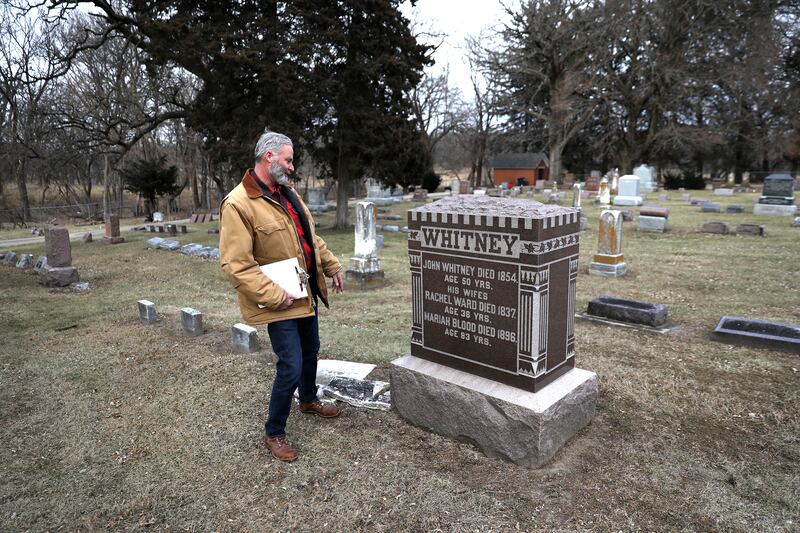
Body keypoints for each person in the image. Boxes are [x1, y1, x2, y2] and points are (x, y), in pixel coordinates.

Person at [219, 130, 345, 462]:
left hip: (304, 293)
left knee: (311, 351)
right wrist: (275, 295)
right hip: (279, 299)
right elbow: (236, 264)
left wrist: (331, 266)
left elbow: (310, 237)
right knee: (290, 364)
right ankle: (274, 431)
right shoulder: (238, 204)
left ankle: (308, 400)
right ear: (269, 157)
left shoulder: (287, 194)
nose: (291, 166)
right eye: (288, 159)